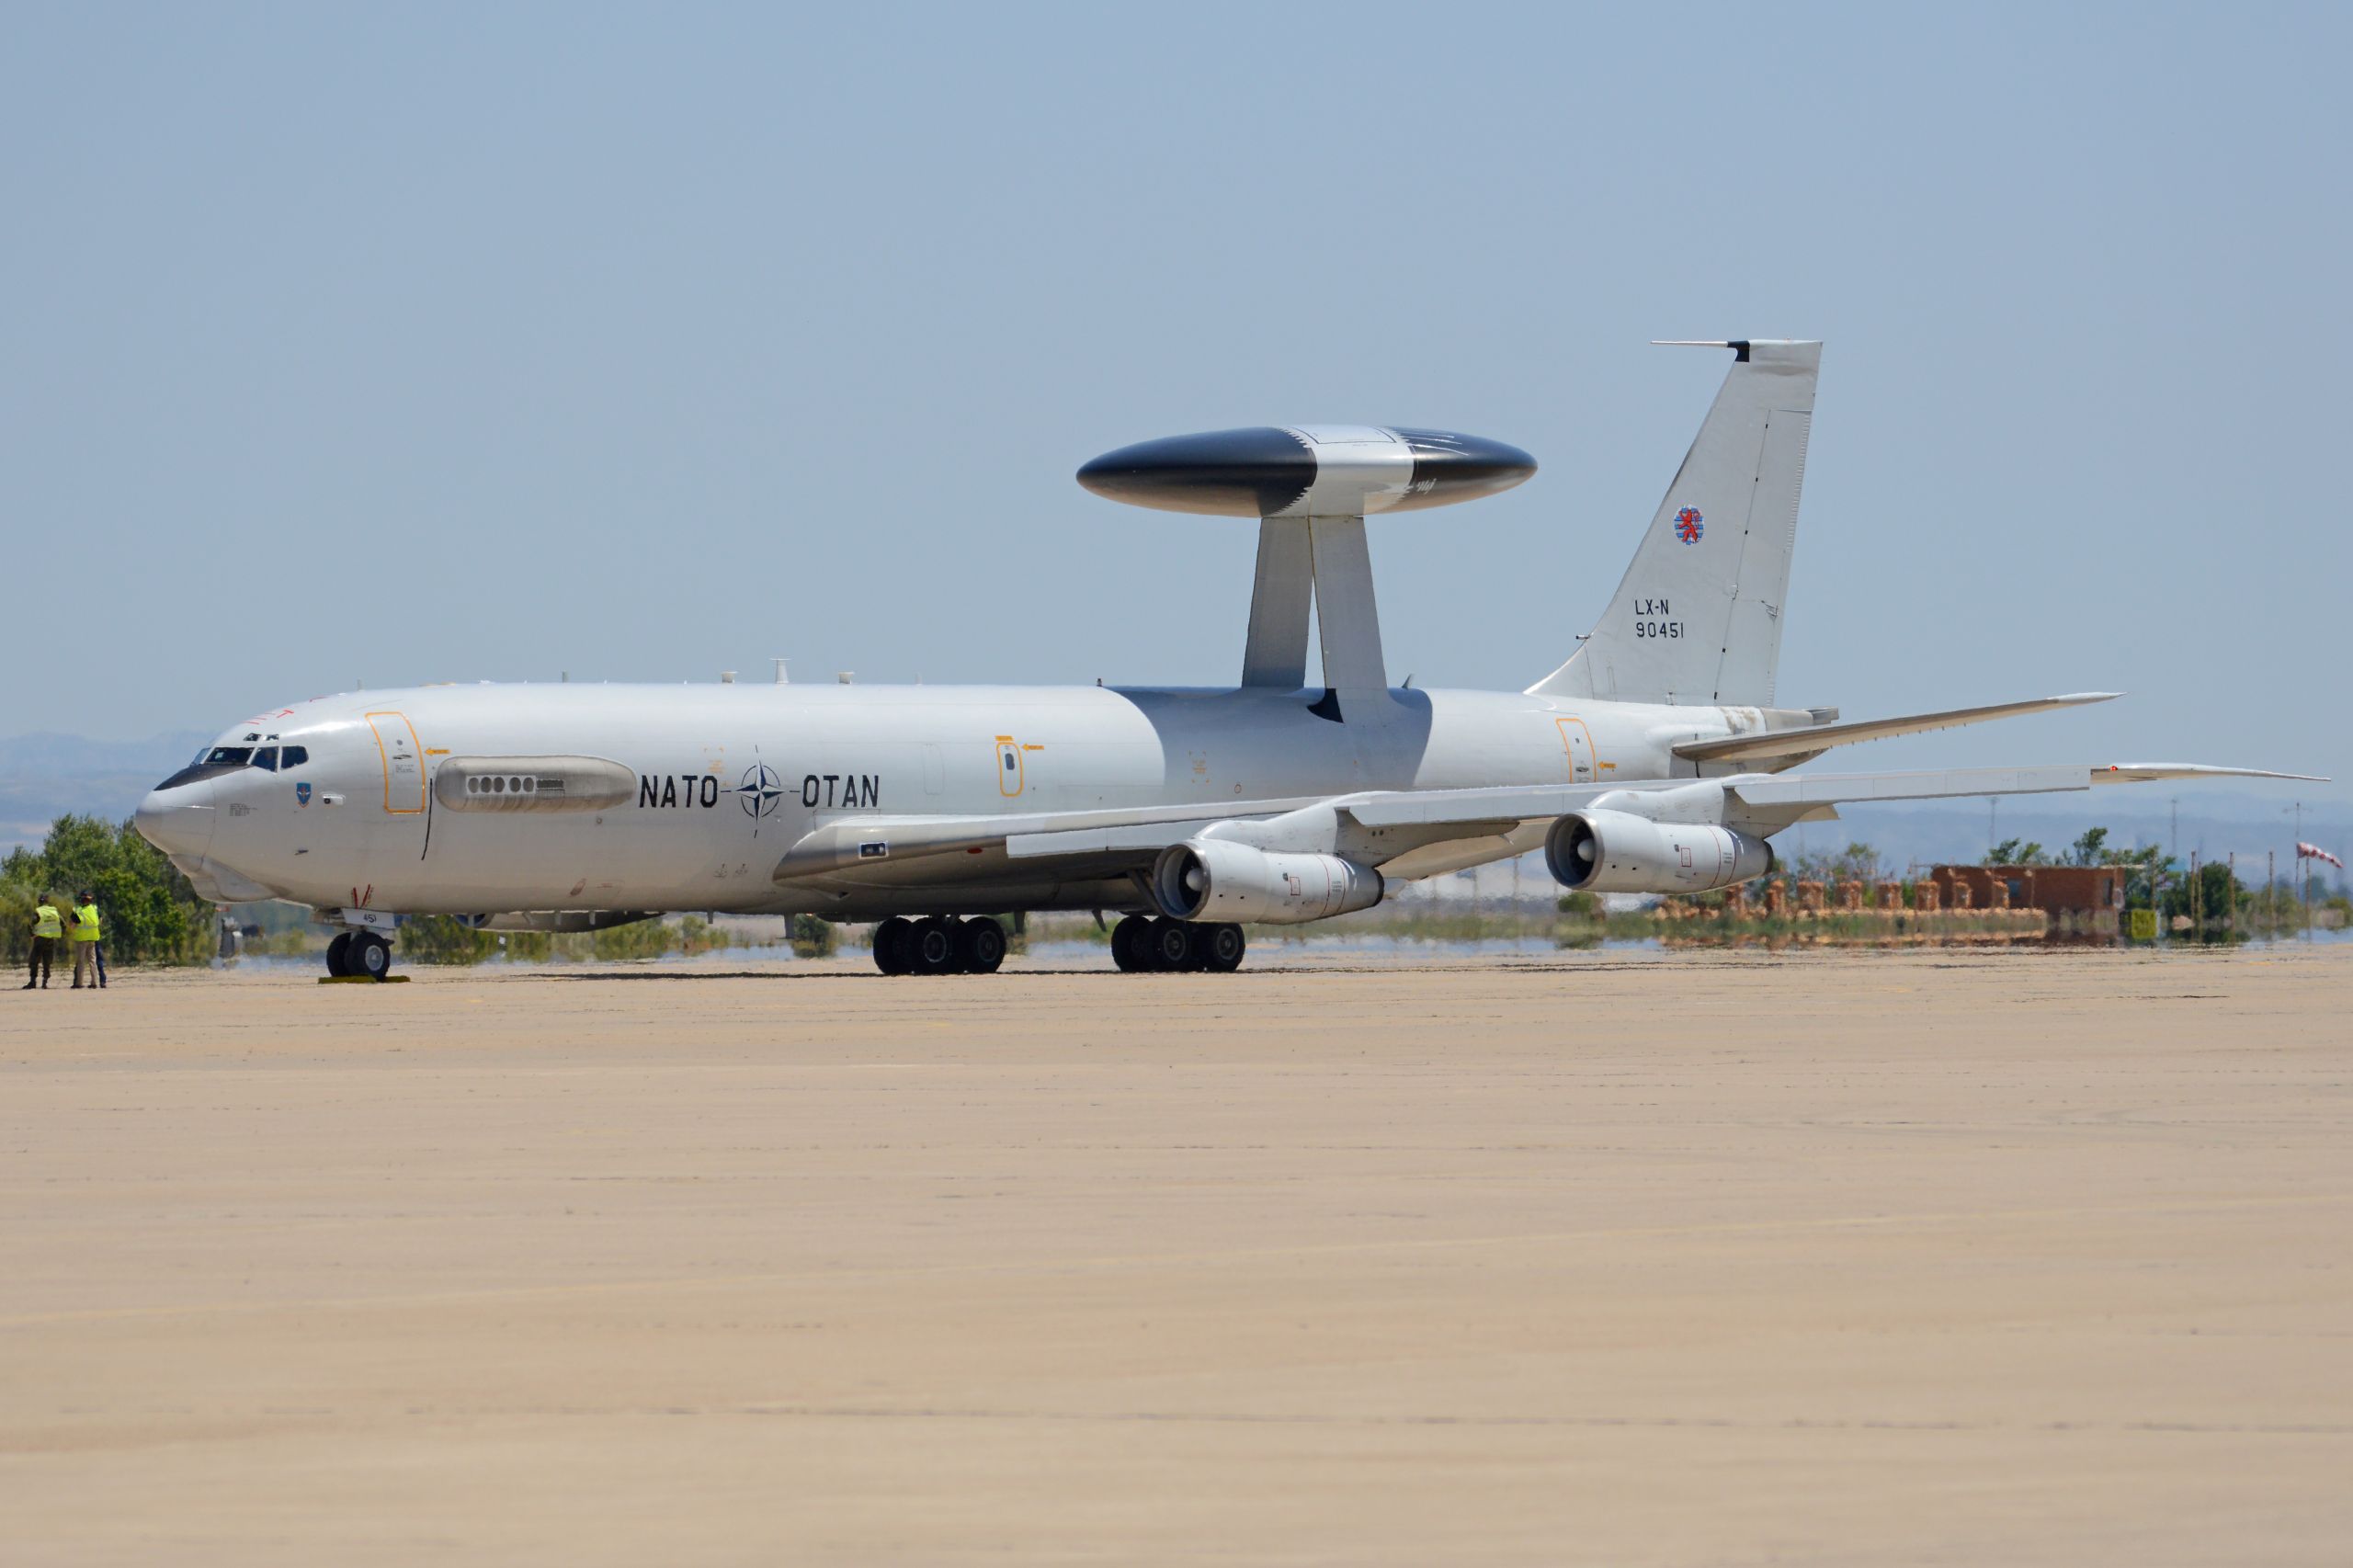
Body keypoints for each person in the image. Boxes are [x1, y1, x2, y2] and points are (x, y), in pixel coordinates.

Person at [25, 894, 63, 989]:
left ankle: (33, 982)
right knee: (47, 962)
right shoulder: (54, 911)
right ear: (47, 902)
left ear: (39, 902)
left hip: (39, 940)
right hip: (51, 940)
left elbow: (30, 924)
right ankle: (44, 983)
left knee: (34, 961)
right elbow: (63, 924)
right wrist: (59, 935)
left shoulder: (38, 911)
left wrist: (32, 935)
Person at [70, 891, 104, 990]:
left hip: (81, 939)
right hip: (93, 938)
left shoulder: (78, 910)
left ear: (81, 899)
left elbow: (72, 925)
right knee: (93, 961)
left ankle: (79, 983)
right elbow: (100, 921)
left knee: (81, 962)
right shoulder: (95, 909)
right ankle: (94, 982)